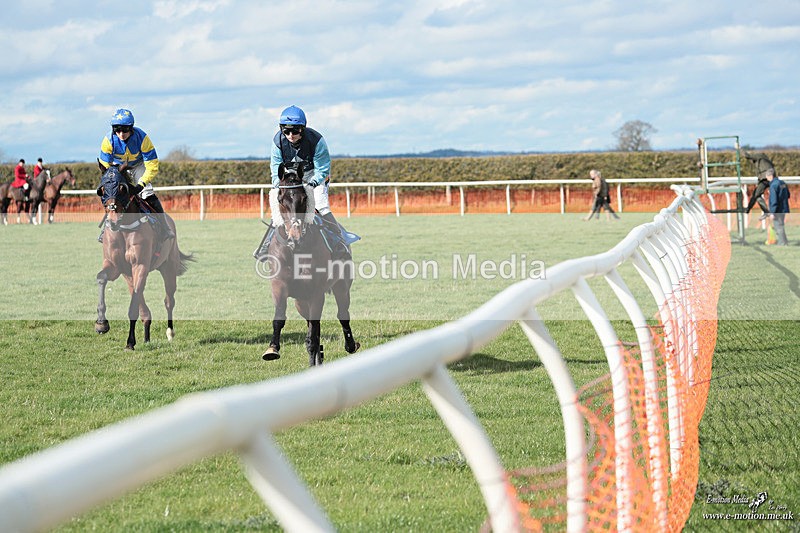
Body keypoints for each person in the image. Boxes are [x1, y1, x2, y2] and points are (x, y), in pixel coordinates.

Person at [254, 105, 350, 259]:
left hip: (314, 176)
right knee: (279, 205)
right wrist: (279, 184)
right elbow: (275, 167)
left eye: (295, 131)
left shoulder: (316, 140)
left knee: (321, 205)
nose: (291, 135)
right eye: (286, 131)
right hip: (290, 178)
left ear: (303, 129)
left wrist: (312, 184)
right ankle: (266, 245)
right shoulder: (278, 141)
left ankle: (339, 241)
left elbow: (322, 169)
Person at [98, 108, 174, 242]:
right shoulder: (108, 140)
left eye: (125, 130)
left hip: (138, 166)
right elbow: (105, 167)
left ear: (131, 128)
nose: (121, 134)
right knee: (112, 195)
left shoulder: (142, 138)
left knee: (147, 193)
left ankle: (165, 227)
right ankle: (105, 229)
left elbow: (152, 165)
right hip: (117, 168)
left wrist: (141, 185)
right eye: (117, 130)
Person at [742, 150, 774, 220]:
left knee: (756, 195)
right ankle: (748, 209)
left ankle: (766, 212)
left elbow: (747, 156)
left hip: (765, 179)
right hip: (768, 179)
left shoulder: (758, 156)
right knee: (755, 195)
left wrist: (739, 149)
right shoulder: (765, 159)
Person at [765, 168, 790, 246]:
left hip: (777, 209)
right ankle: (785, 242)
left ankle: (782, 243)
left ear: (771, 176)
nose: (766, 178)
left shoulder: (773, 185)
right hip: (784, 208)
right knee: (781, 225)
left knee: (778, 226)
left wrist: (772, 212)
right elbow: (788, 195)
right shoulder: (782, 183)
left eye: (767, 176)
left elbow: (774, 200)